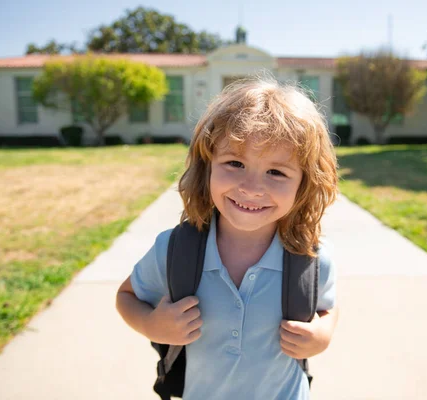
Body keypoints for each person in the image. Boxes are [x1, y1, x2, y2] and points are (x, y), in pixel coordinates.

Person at [116, 74, 339, 399]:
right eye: (235, 163)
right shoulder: (175, 250)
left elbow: (328, 308)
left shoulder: (311, 257)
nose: (251, 188)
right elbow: (126, 297)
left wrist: (322, 335)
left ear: (304, 185)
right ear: (207, 167)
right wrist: (152, 325)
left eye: (276, 172)